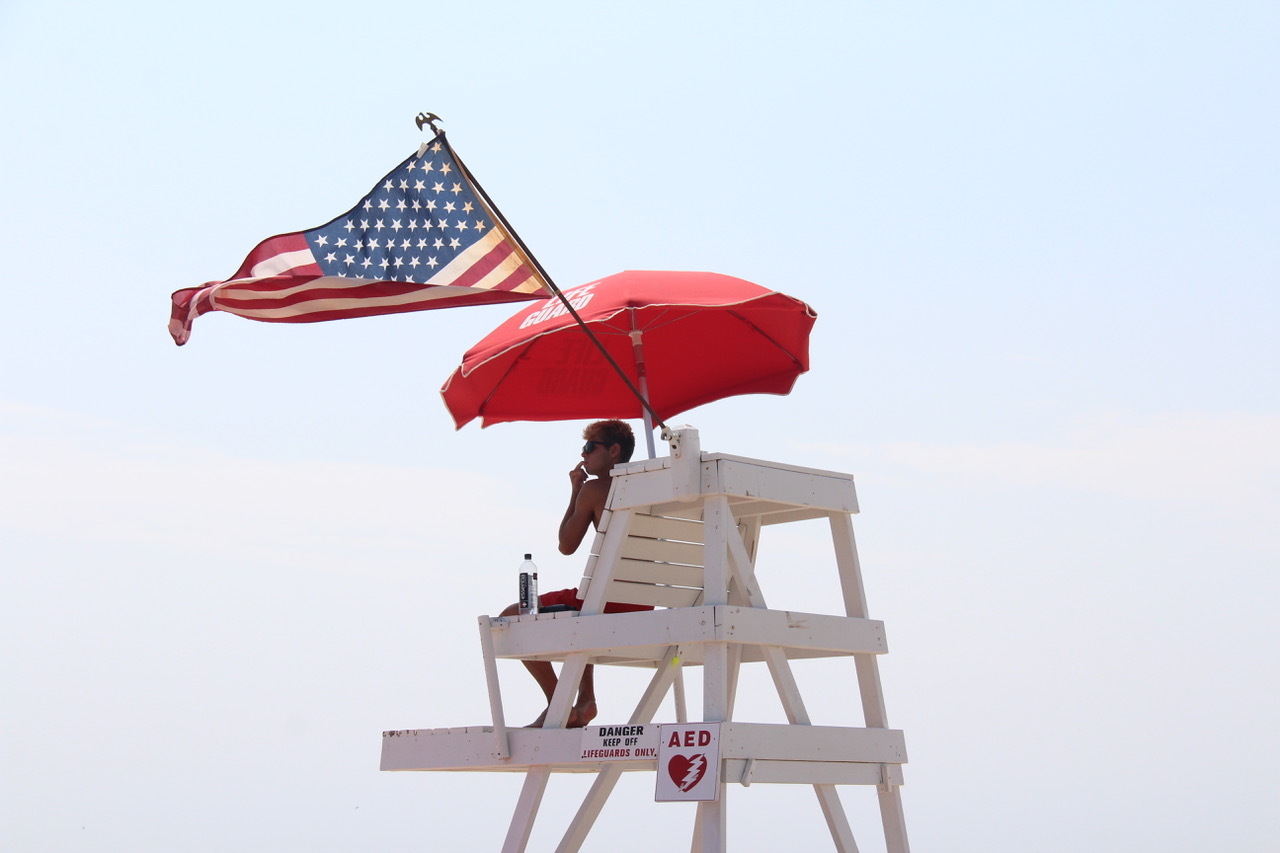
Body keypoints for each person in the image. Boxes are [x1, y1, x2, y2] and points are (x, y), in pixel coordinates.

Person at [500, 419, 653, 728]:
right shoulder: (651, 490)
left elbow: (566, 545)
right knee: (581, 608)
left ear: (613, 450)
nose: (583, 455)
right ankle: (585, 700)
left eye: (588, 447)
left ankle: (561, 707)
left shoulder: (596, 489)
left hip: (608, 602)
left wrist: (576, 492)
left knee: (512, 617)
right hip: (642, 604)